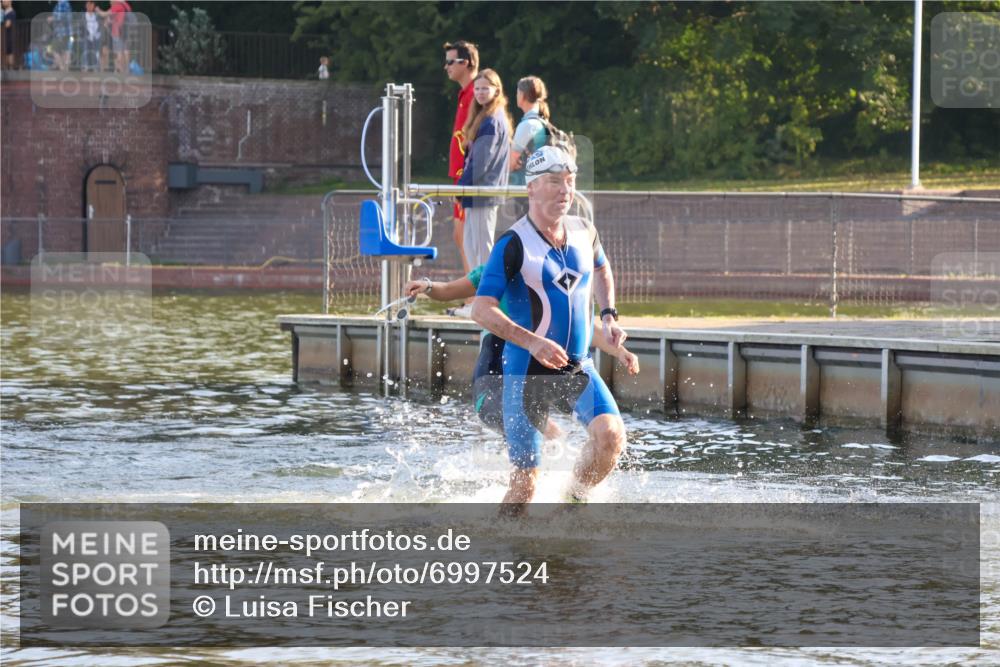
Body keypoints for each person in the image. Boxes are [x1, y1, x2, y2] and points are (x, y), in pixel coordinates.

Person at [472, 145, 627, 515]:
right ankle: (505, 552)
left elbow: (601, 269)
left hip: (576, 366)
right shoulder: (513, 244)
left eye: (570, 182)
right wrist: (533, 342)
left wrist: (608, 313)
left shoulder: (584, 231)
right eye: (554, 182)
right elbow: (481, 309)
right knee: (525, 483)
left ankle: (569, 506)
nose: (565, 191)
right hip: (526, 372)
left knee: (611, 438)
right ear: (531, 189)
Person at [404, 269, 639, 437]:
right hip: (495, 368)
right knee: (521, 422)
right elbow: (448, 290)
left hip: (539, 369)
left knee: (559, 432)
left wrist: (619, 351)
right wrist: (427, 286)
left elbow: (586, 327)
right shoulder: (496, 269)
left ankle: (561, 486)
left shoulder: (554, 277)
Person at [457, 68, 511, 283]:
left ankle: (488, 298)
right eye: (477, 88)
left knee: (481, 250)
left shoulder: (492, 121)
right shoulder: (486, 117)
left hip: (482, 193)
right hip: (477, 193)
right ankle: (477, 298)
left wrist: (461, 188)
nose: (479, 92)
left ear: (496, 91)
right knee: (472, 247)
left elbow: (481, 162)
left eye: (485, 88)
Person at [443, 40, 479, 276]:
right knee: (462, 234)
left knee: (467, 235)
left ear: (465, 63)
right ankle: (472, 294)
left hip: (468, 176)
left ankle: (475, 295)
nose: (445, 67)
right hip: (460, 176)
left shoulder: (477, 92)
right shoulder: (465, 93)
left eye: (449, 62)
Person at [509, 76, 550, 186]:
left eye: (517, 93)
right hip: (540, 185)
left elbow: (511, 163)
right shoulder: (542, 121)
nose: (516, 96)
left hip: (527, 188)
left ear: (522, 95)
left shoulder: (527, 125)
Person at [82, 1, 103, 72]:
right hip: (87, 37)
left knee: (96, 52)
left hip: (96, 37)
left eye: (91, 4)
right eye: (88, 4)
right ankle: (85, 67)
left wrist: (98, 33)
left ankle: (95, 67)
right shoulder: (83, 15)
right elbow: (82, 26)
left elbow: (100, 25)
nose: (90, 6)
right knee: (86, 51)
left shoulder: (96, 15)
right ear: (86, 6)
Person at [2, 0, 15, 71]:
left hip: (9, 35)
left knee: (9, 51)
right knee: (7, 51)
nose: (3, 1)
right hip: (6, 35)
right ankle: (7, 68)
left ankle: (10, 68)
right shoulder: (5, 12)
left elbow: (7, 24)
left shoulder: (11, 12)